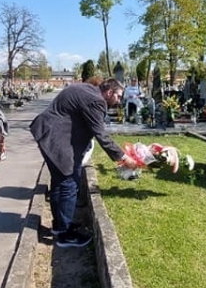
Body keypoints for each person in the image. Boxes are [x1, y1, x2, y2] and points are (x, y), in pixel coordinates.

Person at [30, 78, 138, 248]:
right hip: (56, 138)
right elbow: (101, 135)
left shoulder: (88, 90)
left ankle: (60, 225)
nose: (119, 101)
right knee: (69, 183)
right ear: (109, 92)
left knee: (59, 182)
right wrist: (124, 157)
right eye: (118, 96)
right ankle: (65, 235)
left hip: (48, 132)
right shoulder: (96, 101)